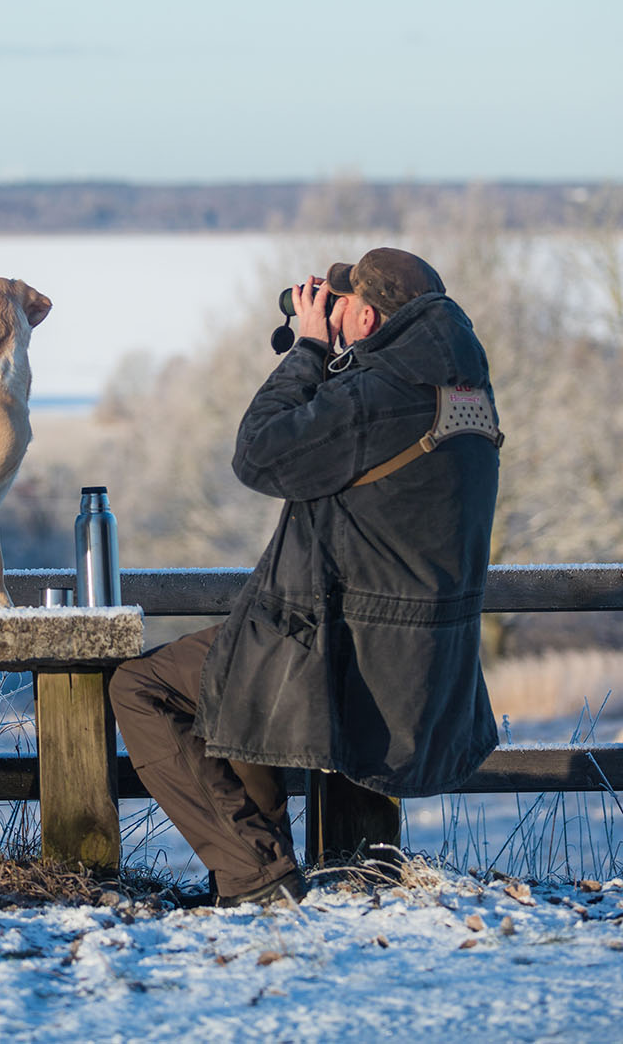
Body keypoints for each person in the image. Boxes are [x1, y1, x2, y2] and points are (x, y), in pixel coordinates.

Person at [109, 246, 501, 907]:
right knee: (244, 652)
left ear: (370, 320)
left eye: (341, 302)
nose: (328, 309)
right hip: (423, 663)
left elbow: (260, 453)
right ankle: (264, 873)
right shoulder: (462, 391)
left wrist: (310, 349)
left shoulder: (377, 396)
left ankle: (257, 877)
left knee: (141, 685)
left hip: (353, 661)